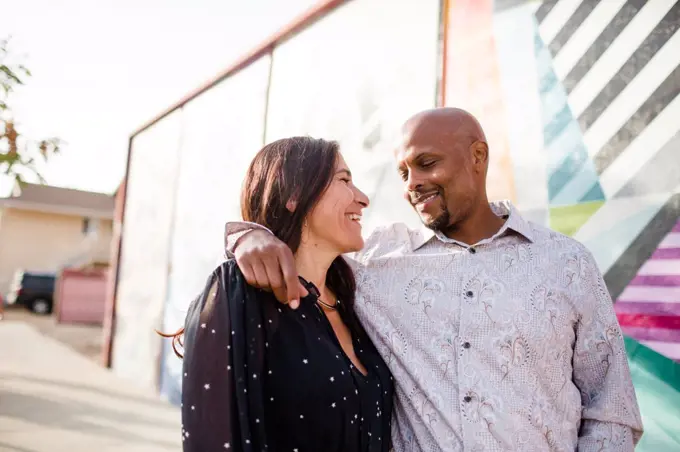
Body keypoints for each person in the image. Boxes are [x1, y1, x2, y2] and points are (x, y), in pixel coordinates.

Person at [225, 108, 644, 451]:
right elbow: (305, 244)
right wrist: (247, 235)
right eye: (404, 172)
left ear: (478, 157)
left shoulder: (566, 263)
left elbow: (611, 409)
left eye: (427, 164)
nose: (413, 184)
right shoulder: (373, 263)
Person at [165, 137, 393, 452]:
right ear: (295, 195)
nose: (363, 198)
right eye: (344, 180)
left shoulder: (358, 297)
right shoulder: (238, 291)